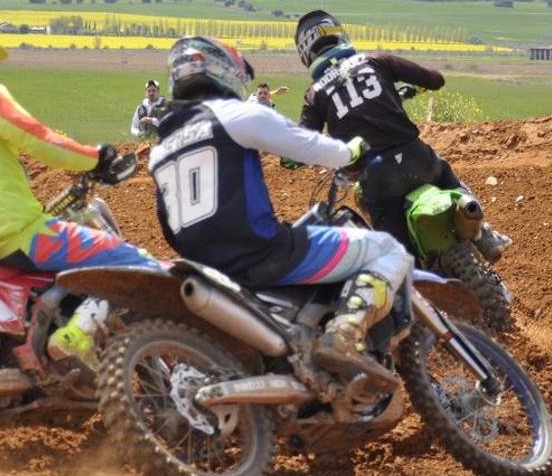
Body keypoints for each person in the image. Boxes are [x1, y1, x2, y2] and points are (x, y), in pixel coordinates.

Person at [150, 36, 413, 377]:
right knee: (388, 248)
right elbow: (305, 145)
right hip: (263, 253)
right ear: (223, 71)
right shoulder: (235, 115)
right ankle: (345, 333)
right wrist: (350, 151)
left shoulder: (160, 150)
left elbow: (167, 223)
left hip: (206, 271)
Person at [0, 22, 158, 363]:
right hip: (26, 237)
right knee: (138, 265)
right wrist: (96, 157)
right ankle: (75, 336)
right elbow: (41, 140)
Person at [293, 9, 510, 262]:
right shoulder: (376, 60)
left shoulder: (314, 94)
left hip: (377, 177)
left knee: (399, 257)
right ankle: (484, 235)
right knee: (443, 172)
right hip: (416, 158)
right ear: (339, 35)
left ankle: (417, 280)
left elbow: (302, 144)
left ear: (306, 53)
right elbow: (435, 79)